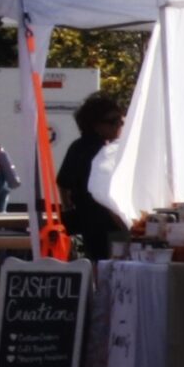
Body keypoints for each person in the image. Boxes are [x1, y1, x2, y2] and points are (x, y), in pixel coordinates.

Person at [58, 92, 130, 260]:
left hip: (88, 220)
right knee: (113, 264)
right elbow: (106, 192)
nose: (119, 125)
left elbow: (63, 183)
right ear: (96, 125)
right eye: (113, 121)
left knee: (97, 263)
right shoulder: (104, 151)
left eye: (121, 120)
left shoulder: (78, 147)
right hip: (107, 222)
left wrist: (69, 210)